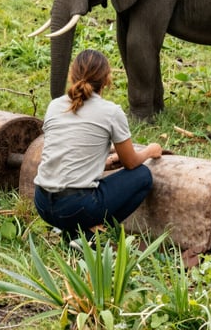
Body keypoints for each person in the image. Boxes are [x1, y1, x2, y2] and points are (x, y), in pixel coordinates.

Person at [33, 49, 162, 242]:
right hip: (76, 207)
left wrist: (104, 162)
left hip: (42, 204)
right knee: (142, 176)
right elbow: (131, 163)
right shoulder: (111, 112)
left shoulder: (55, 105)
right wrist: (150, 150)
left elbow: (69, 146)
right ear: (107, 79)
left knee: (73, 201)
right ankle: (89, 233)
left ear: (71, 74)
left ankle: (72, 232)